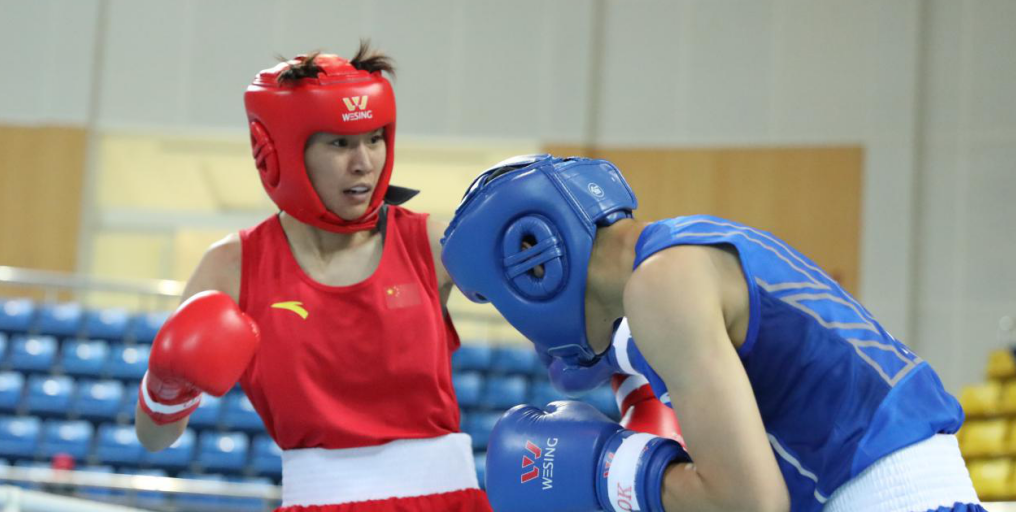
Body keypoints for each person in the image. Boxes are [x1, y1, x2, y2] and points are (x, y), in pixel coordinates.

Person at [440, 154, 982, 512]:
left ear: (533, 261)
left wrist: (608, 470)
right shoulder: (687, 252)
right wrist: (617, 356)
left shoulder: (662, 287)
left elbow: (749, 504)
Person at [134, 43, 492, 512]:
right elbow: (154, 438)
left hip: (448, 501)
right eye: (339, 143)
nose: (363, 162)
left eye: (374, 138)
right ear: (279, 150)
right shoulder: (233, 265)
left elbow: (571, 330)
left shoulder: (432, 242)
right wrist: (167, 384)